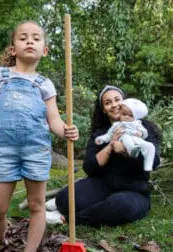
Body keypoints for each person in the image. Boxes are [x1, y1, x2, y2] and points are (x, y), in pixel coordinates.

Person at [0, 21, 79, 252]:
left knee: (36, 205)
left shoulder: (44, 84)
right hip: (5, 152)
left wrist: (66, 131)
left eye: (35, 38)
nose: (29, 41)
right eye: (23, 38)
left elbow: (54, 120)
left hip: (36, 151)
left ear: (45, 50)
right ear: (13, 49)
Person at [47, 85, 161, 227]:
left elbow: (154, 161)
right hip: (102, 184)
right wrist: (110, 146)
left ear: (125, 102)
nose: (114, 105)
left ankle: (68, 219)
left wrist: (127, 150)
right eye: (108, 103)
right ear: (103, 110)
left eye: (117, 100)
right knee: (65, 198)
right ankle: (65, 205)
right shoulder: (100, 133)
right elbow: (89, 167)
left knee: (119, 205)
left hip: (134, 189)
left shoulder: (143, 128)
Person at [94, 97, 155, 172]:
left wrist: (141, 133)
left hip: (136, 139)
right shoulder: (117, 125)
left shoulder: (137, 123)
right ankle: (131, 150)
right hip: (123, 138)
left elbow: (144, 132)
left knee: (150, 146)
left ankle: (148, 165)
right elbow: (109, 135)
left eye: (130, 115)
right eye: (124, 114)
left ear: (135, 117)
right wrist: (102, 139)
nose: (126, 117)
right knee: (126, 137)